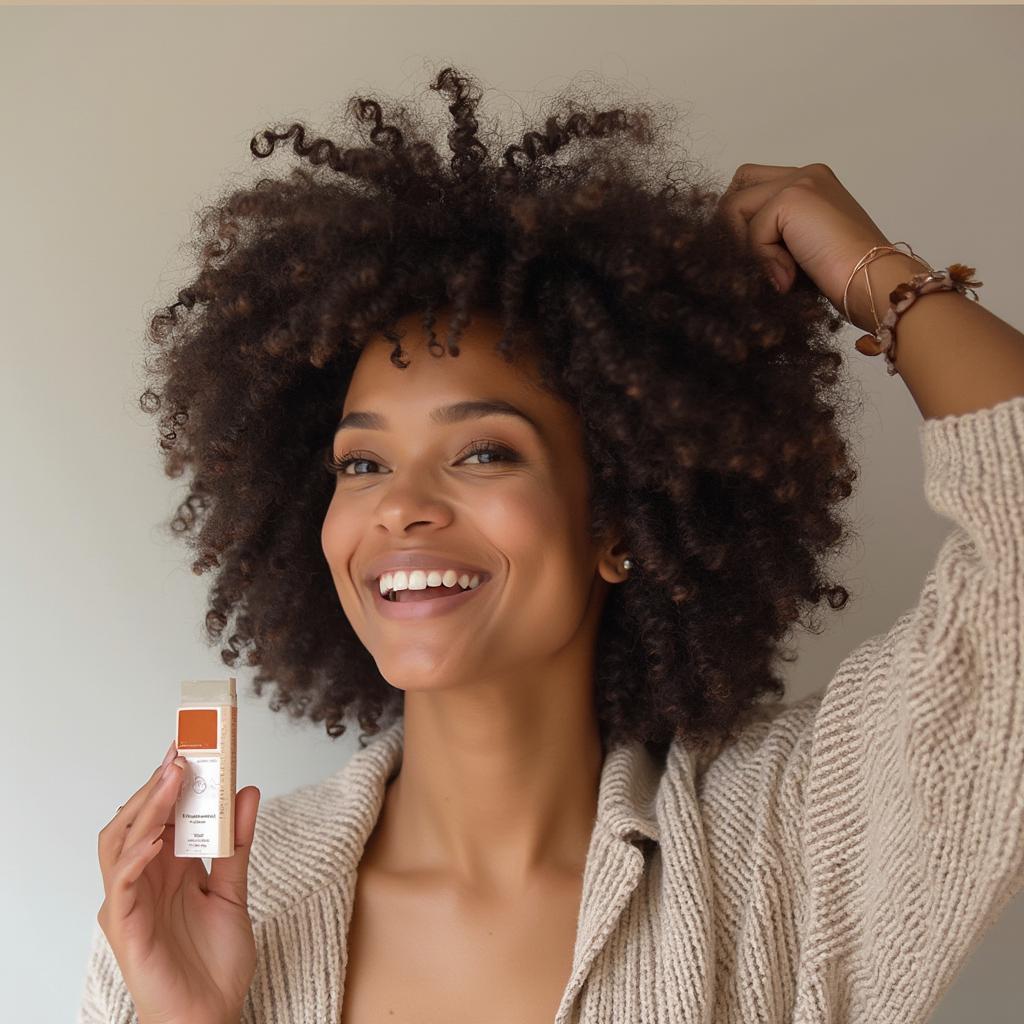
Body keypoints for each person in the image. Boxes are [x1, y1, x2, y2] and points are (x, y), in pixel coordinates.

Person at [81, 66, 1024, 1024]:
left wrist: (873, 274)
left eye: (484, 452)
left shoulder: (793, 840)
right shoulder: (190, 907)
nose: (399, 507)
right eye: (361, 464)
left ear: (615, 523)